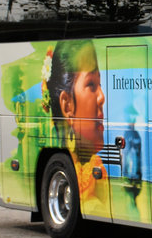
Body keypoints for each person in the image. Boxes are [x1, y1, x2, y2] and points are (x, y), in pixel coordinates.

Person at [42, 39, 108, 210]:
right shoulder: (91, 184)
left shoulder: (97, 166)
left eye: (99, 84)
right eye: (92, 85)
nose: (102, 97)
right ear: (67, 105)